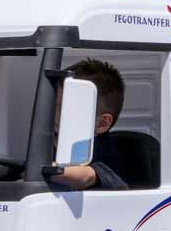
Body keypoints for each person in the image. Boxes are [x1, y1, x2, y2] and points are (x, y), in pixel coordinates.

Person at [51, 59, 129, 191]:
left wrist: (43, 169)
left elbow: (86, 176)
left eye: (64, 109)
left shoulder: (103, 153)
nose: (54, 115)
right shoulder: (54, 140)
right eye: (53, 107)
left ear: (102, 124)